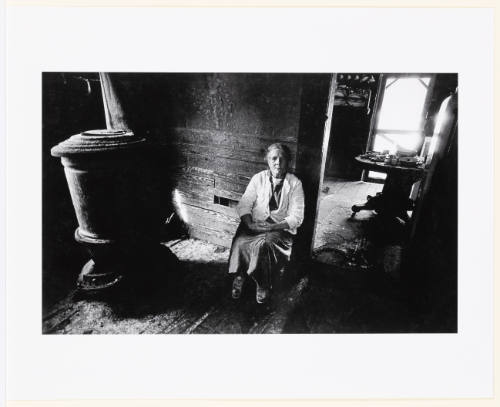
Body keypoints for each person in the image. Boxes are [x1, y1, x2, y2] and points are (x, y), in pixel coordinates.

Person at [228, 143, 305, 304]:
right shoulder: (259, 178)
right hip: (255, 224)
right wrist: (249, 224)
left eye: (282, 159)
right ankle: (240, 276)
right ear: (267, 160)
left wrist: (273, 227)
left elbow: (297, 217)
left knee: (264, 246)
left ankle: (262, 283)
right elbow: (245, 203)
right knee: (240, 241)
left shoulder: (295, 184)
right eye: (274, 158)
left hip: (280, 228)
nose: (278, 162)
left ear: (288, 161)